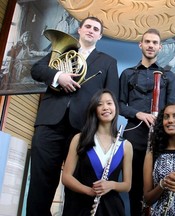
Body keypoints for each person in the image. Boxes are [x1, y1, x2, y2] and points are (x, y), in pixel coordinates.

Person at [26, 16, 119, 216]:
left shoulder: (108, 62)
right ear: (79, 30)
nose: (91, 30)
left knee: (77, 183)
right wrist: (59, 76)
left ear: (100, 36)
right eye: (88, 27)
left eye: (96, 29)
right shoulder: (63, 51)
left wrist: (106, 134)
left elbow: (111, 98)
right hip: (50, 122)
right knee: (41, 180)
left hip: (83, 128)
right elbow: (36, 69)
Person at [119, 28, 175, 215]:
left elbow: (174, 106)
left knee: (161, 182)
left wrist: (161, 119)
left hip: (160, 135)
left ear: (160, 47)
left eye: (154, 42)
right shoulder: (128, 74)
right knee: (135, 185)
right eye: (147, 42)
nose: (151, 45)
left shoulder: (168, 76)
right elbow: (120, 104)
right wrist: (139, 114)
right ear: (141, 45)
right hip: (134, 134)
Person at [61, 89, 133, 215]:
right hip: (81, 207)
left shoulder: (126, 145)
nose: (105, 107)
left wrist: (111, 185)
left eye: (109, 103)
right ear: (94, 109)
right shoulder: (80, 138)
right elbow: (66, 177)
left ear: (116, 108)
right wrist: (89, 191)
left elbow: (127, 185)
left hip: (112, 209)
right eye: (100, 104)